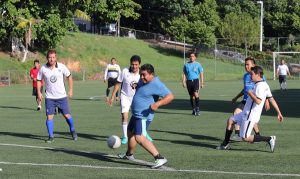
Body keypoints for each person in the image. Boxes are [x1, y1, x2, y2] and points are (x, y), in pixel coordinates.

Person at [118, 64, 174, 169]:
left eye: (144, 75)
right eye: (140, 75)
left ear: (151, 74)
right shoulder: (143, 80)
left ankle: (159, 157)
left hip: (143, 116)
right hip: (136, 114)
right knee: (130, 133)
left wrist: (157, 104)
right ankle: (129, 154)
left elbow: (170, 96)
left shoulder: (156, 83)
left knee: (139, 137)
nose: (141, 77)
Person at [217, 66, 283, 152]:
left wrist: (250, 93)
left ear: (258, 74)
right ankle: (225, 144)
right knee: (230, 120)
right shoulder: (263, 84)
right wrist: (279, 112)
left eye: (252, 74)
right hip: (246, 112)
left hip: (250, 115)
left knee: (245, 137)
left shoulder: (260, 86)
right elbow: (271, 99)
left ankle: (269, 139)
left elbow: (258, 101)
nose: (250, 76)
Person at [108, 55, 153, 144]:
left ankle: (144, 132)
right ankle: (125, 136)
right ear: (130, 64)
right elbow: (118, 84)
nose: (134, 66)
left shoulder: (142, 74)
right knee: (125, 116)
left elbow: (148, 85)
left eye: (136, 64)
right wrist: (112, 97)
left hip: (137, 98)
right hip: (125, 96)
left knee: (143, 116)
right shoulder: (125, 71)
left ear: (139, 64)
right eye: (132, 64)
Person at [37, 49, 78, 143]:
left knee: (67, 115)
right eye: (50, 57)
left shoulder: (62, 67)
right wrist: (39, 92)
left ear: (56, 58)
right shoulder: (43, 68)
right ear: (47, 58)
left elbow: (69, 76)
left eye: (53, 57)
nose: (51, 59)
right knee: (49, 117)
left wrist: (71, 90)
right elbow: (39, 80)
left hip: (62, 97)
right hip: (49, 97)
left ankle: (73, 130)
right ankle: (51, 136)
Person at [231, 57, 269, 141]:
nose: (246, 66)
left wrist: (267, 101)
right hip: (245, 101)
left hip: (253, 102)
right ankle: (238, 135)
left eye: (248, 64)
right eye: (245, 65)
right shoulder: (245, 76)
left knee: (252, 120)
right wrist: (236, 97)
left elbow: (265, 89)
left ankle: (257, 136)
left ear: (253, 65)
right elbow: (245, 89)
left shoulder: (259, 76)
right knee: (237, 113)